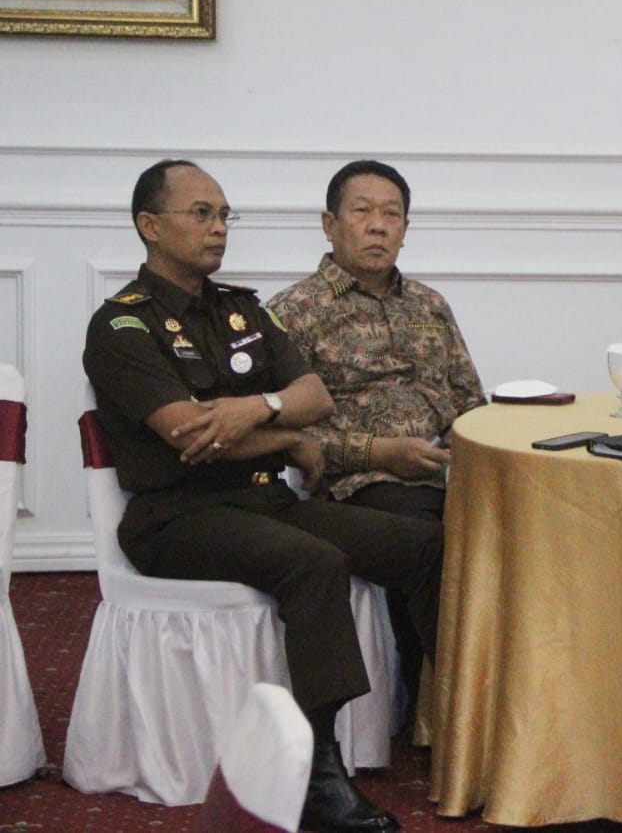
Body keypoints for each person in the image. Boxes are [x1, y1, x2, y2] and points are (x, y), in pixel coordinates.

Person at [83, 159, 442, 833]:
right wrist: (283, 439)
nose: (217, 228)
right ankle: (318, 774)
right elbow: (186, 435)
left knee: (422, 542)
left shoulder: (240, 308)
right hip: (176, 516)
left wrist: (256, 410)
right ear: (150, 226)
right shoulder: (121, 327)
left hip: (260, 502)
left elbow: (313, 397)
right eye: (201, 214)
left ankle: (447, 716)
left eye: (223, 215)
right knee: (312, 560)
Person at [269, 159, 486, 723]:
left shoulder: (430, 306)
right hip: (360, 486)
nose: (378, 226)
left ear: (406, 228)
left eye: (391, 214)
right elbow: (286, 435)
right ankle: (453, 718)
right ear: (329, 224)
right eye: (362, 212)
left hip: (442, 473)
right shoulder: (293, 313)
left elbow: (469, 402)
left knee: (532, 525)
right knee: (441, 536)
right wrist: (379, 452)